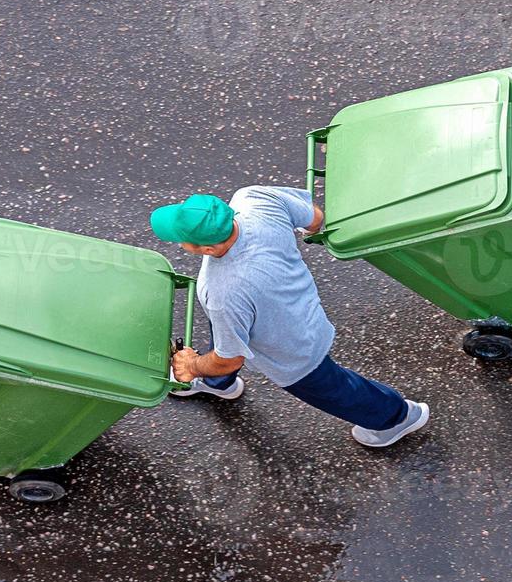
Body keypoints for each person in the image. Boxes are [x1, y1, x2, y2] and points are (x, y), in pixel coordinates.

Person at [150, 187, 429, 448]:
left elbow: (229, 358)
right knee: (228, 332)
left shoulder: (223, 293)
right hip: (300, 306)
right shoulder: (254, 199)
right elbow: (315, 219)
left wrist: (194, 366)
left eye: (180, 238)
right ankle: (218, 384)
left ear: (208, 249)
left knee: (332, 388)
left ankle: (398, 418)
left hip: (293, 348)